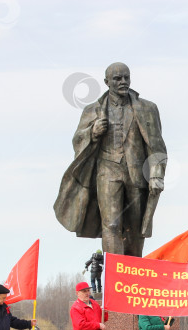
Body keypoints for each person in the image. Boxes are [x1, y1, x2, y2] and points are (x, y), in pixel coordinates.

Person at [55, 62, 167, 256]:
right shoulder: (93, 110)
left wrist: (157, 175)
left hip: (137, 173)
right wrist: (92, 132)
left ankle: (133, 272)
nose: (123, 81)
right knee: (112, 224)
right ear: (107, 82)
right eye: (117, 78)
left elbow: (156, 146)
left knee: (134, 227)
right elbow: (77, 140)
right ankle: (115, 273)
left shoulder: (147, 108)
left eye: (126, 77)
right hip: (107, 171)